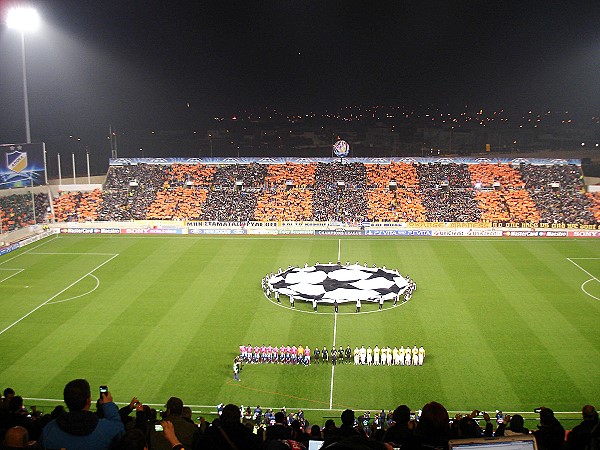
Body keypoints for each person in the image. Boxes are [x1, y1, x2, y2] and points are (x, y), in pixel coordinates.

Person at [40, 379, 124, 450]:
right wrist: (108, 405)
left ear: (66, 401)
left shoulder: (49, 430)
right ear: (88, 401)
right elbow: (119, 430)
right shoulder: (105, 430)